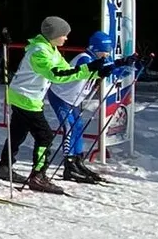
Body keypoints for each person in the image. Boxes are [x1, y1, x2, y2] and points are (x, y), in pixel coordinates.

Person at [0, 17, 123, 194]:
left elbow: (71, 74)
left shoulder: (51, 49)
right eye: (64, 35)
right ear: (54, 34)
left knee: (18, 132)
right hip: (26, 98)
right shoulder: (39, 52)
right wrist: (88, 68)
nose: (66, 38)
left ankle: (4, 167)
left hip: (25, 97)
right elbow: (57, 75)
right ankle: (38, 176)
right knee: (45, 136)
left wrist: (98, 71)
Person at [47, 30, 119, 183]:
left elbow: (110, 69)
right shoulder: (84, 58)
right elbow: (87, 71)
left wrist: (128, 65)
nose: (105, 55)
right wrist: (104, 70)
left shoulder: (98, 58)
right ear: (94, 49)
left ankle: (78, 160)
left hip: (74, 100)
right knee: (70, 127)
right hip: (60, 96)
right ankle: (69, 164)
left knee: (78, 127)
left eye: (107, 52)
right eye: (103, 52)